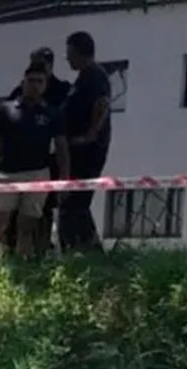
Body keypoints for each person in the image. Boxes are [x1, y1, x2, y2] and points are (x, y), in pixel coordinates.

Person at [0, 61, 71, 257]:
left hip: (38, 174)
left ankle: (23, 264)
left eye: (40, 81)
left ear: (45, 85)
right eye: (31, 81)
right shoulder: (5, 110)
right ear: (23, 82)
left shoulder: (52, 114)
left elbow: (62, 148)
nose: (35, 85)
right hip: (7, 174)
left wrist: (64, 178)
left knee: (27, 226)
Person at [7, 46, 73, 253]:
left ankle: (43, 248)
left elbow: (65, 130)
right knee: (15, 209)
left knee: (45, 208)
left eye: (43, 63)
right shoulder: (20, 91)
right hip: (20, 158)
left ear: (51, 66)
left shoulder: (62, 89)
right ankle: (15, 250)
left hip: (49, 157)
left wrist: (64, 174)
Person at [58, 31, 113, 250]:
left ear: (81, 53)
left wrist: (89, 136)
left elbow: (102, 106)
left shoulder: (95, 76)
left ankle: (86, 249)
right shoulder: (84, 77)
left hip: (88, 151)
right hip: (79, 148)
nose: (68, 58)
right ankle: (82, 247)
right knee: (74, 203)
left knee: (76, 203)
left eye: (70, 53)